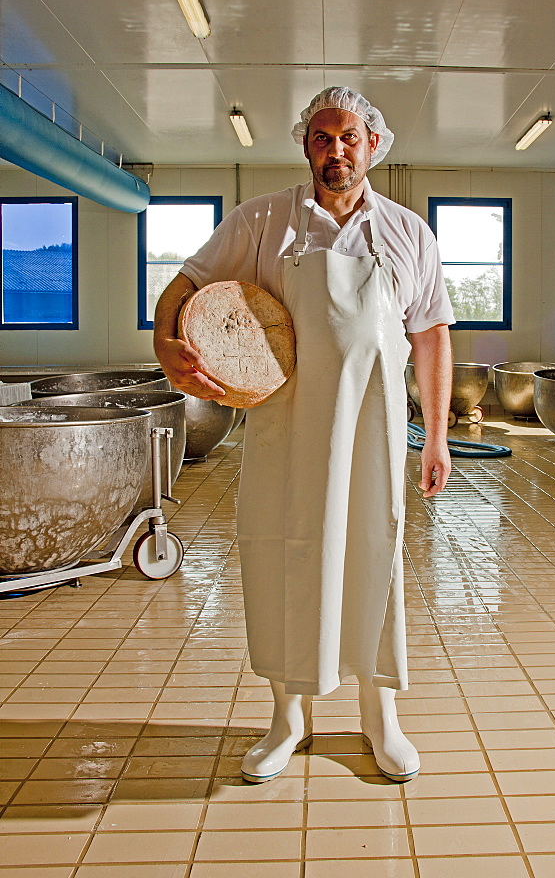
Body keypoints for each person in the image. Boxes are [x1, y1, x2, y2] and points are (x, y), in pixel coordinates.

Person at [153, 86, 455, 784]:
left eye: (349, 137)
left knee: (374, 555)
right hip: (286, 437)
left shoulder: (409, 233)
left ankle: (381, 720)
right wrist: (164, 342)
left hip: (373, 438)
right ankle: (287, 719)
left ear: (373, 145)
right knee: (282, 558)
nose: (336, 151)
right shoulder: (262, 222)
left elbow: (433, 337)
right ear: (305, 146)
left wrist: (436, 435)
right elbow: (187, 283)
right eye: (322, 138)